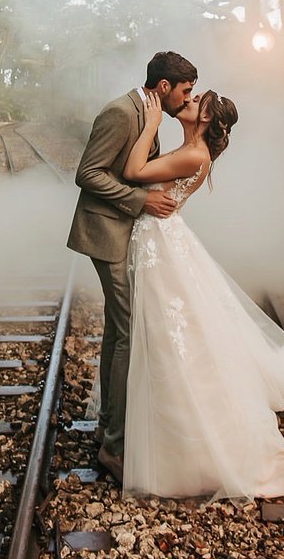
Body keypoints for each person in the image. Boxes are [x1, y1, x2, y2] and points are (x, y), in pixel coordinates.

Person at [121, 90, 284, 500]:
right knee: (170, 339)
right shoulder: (190, 148)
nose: (190, 100)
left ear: (205, 121)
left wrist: (149, 125)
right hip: (160, 243)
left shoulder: (194, 154)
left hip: (161, 247)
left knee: (170, 340)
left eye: (198, 100)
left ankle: (189, 450)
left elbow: (132, 170)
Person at [67, 50, 198, 484]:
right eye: (185, 91)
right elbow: (88, 173)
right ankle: (114, 447)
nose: (187, 98)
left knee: (118, 332)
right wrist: (141, 201)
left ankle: (110, 428)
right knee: (126, 333)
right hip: (106, 232)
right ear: (164, 88)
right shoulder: (121, 113)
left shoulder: (150, 113)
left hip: (126, 232)